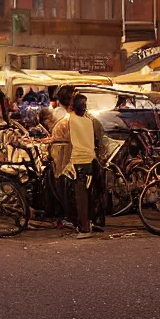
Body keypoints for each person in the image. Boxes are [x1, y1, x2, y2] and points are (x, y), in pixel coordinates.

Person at [49, 94, 103, 239]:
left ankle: (84, 228)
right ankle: (90, 222)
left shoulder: (67, 121)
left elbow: (57, 141)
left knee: (78, 196)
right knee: (89, 194)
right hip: (91, 160)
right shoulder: (89, 121)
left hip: (76, 161)